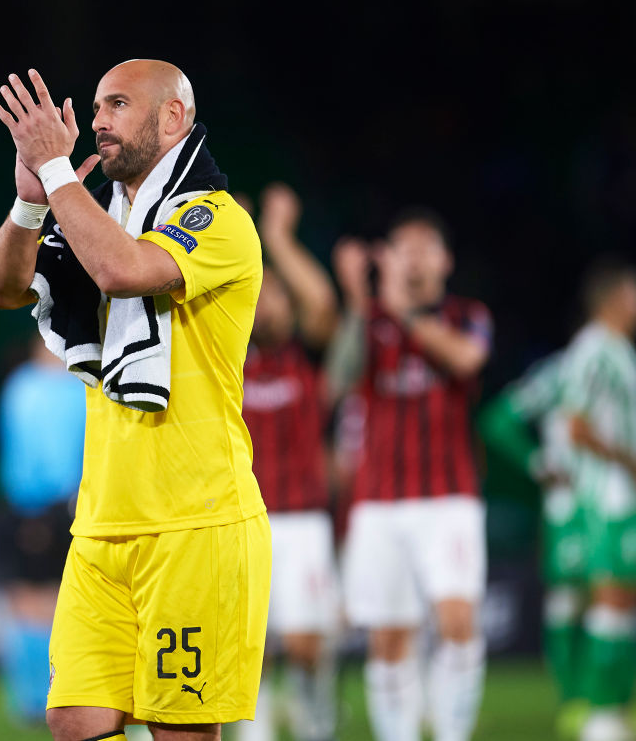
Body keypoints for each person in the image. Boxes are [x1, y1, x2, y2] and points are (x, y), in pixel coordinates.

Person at [0, 60, 270, 741]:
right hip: (103, 523)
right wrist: (31, 200)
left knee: (180, 733)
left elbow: (125, 270)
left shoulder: (219, 220)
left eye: (119, 104)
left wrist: (57, 173)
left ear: (174, 118)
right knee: (74, 720)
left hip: (196, 523)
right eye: (99, 105)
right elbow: (0, 288)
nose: (99, 120)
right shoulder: (98, 216)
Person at [327, 209, 492, 741]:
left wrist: (403, 311)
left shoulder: (468, 314)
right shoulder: (371, 322)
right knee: (389, 639)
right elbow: (338, 381)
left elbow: (466, 361)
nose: (414, 256)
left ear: (445, 260)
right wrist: (359, 303)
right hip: (379, 502)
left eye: (425, 246)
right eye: (403, 247)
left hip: (450, 500)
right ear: (388, 259)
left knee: (457, 623)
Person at [237, 183, 340, 741]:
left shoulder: (306, 355)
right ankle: (258, 724)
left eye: (276, 294)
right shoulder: (225, 354)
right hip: (240, 515)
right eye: (260, 294)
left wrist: (275, 237)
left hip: (302, 514)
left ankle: (312, 708)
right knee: (248, 640)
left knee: (303, 641)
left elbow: (322, 303)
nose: (268, 303)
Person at [478, 352, 588, 736]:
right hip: (572, 505)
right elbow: (498, 420)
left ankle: (608, 698)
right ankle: (574, 701)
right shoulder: (563, 370)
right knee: (570, 599)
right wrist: (538, 462)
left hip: (620, 498)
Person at [556, 260, 636, 741]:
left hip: (622, 494)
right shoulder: (591, 349)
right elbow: (576, 424)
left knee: (621, 601)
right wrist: (626, 461)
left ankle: (611, 711)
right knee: (609, 599)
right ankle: (599, 718)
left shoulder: (620, 350)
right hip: (604, 495)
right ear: (614, 296)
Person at [0, 335, 86, 724]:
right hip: (40, 505)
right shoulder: (29, 387)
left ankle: (48, 693)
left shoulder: (71, 385)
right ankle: (33, 696)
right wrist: (30, 505)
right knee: (35, 600)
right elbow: (25, 449)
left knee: (52, 600)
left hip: (64, 504)